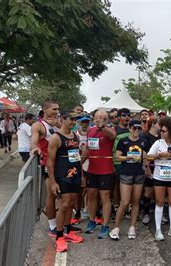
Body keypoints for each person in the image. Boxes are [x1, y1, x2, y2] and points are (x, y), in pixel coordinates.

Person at [46, 111, 84, 253]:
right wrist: (53, 181)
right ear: (62, 119)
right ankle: (59, 235)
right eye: (71, 119)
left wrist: (81, 175)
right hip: (62, 175)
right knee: (64, 204)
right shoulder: (55, 138)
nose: (73, 122)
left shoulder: (75, 136)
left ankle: (68, 231)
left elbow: (77, 156)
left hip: (75, 173)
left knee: (72, 203)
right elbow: (50, 160)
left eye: (75, 119)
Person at [147, 118, 171, 241]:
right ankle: (158, 230)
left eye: (164, 131)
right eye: (161, 130)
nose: (161, 132)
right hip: (159, 176)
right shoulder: (158, 143)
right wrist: (159, 155)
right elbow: (148, 157)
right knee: (159, 202)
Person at [110, 120, 150, 240]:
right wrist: (128, 157)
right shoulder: (123, 141)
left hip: (139, 174)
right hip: (126, 173)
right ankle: (116, 227)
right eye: (134, 128)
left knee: (136, 201)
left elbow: (146, 157)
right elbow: (117, 156)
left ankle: (132, 227)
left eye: (139, 128)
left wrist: (146, 166)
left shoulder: (143, 141)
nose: (137, 130)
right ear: (130, 128)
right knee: (125, 202)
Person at [83, 110, 116, 239]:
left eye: (102, 117)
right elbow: (87, 148)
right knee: (91, 196)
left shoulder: (110, 129)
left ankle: (105, 225)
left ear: (107, 119)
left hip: (106, 170)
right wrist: (79, 163)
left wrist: (102, 127)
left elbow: (112, 135)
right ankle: (92, 221)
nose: (99, 119)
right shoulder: (90, 130)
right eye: (97, 117)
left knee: (105, 197)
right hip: (92, 169)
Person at [31, 100, 60, 235]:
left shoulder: (58, 123)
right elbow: (33, 143)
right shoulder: (38, 125)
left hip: (62, 164)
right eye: (54, 109)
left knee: (62, 194)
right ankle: (52, 226)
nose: (56, 111)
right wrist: (35, 148)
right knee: (51, 195)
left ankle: (62, 223)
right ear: (45, 110)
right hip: (48, 165)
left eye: (57, 109)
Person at [140, 117, 160, 225]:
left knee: (159, 192)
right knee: (148, 191)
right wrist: (146, 167)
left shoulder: (161, 136)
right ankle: (146, 213)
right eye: (159, 124)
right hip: (150, 166)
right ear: (153, 124)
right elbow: (143, 153)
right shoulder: (145, 136)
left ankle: (159, 214)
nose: (161, 126)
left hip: (160, 167)